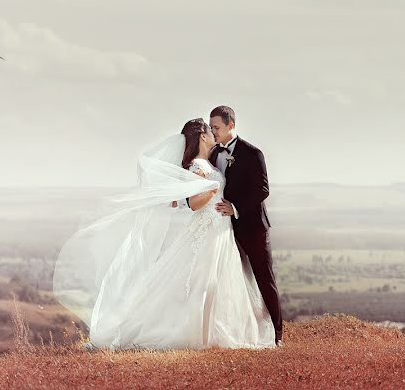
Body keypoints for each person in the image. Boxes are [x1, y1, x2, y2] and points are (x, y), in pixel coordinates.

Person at [52, 117, 275, 350]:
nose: (213, 134)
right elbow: (193, 203)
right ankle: (191, 333)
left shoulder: (206, 163)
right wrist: (212, 190)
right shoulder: (198, 167)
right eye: (210, 131)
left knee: (213, 283)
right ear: (201, 136)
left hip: (218, 230)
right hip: (205, 232)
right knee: (199, 282)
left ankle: (212, 333)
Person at [209, 105, 283, 345]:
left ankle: (278, 334)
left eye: (217, 127)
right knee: (233, 281)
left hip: (253, 228)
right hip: (224, 231)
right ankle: (242, 329)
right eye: (211, 128)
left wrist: (236, 207)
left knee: (264, 278)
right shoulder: (212, 154)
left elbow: (263, 190)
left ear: (231, 125)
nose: (213, 132)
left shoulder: (253, 153)